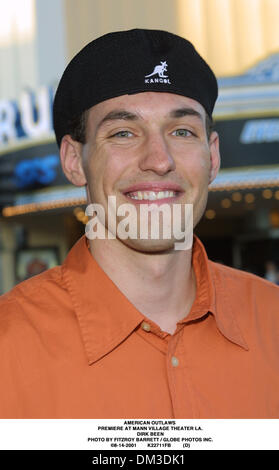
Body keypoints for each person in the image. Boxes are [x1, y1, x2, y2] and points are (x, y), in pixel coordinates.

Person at [0, 29, 279, 419]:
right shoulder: (8, 346)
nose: (158, 159)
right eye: (123, 133)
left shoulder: (273, 322)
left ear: (212, 157)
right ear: (74, 161)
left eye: (182, 131)